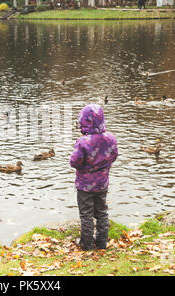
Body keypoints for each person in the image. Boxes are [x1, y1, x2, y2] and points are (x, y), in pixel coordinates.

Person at [70, 104, 118, 251]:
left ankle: (87, 244)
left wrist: (86, 167)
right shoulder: (110, 138)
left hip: (85, 186)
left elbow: (74, 162)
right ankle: (102, 242)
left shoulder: (83, 142)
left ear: (84, 122)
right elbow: (114, 155)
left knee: (86, 215)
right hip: (102, 183)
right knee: (102, 212)